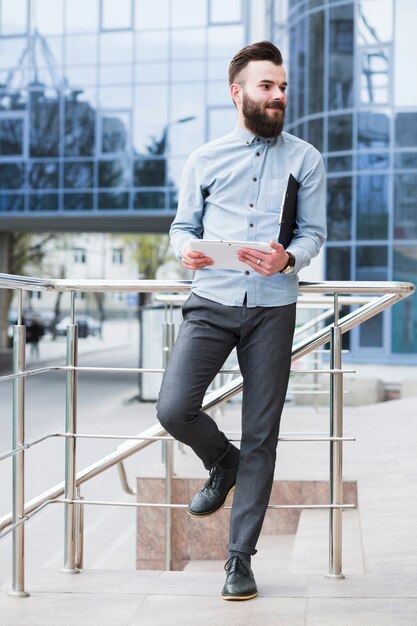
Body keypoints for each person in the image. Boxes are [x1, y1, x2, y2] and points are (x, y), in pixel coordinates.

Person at [157, 40, 326, 600]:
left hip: (273, 308)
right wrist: (187, 250)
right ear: (238, 93)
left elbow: (314, 234)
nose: (278, 96)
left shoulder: (306, 159)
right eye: (267, 87)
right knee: (175, 407)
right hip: (211, 301)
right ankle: (221, 462)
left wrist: (289, 257)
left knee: (263, 434)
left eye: (282, 88)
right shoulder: (203, 159)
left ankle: (239, 559)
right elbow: (183, 227)